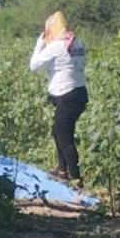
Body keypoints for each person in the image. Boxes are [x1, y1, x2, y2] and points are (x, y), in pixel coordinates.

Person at [29, 11, 88, 187]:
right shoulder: (76, 42)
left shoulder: (56, 46)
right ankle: (62, 171)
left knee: (65, 138)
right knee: (57, 132)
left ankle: (77, 180)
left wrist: (38, 45)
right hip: (79, 93)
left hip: (67, 95)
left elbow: (33, 65)